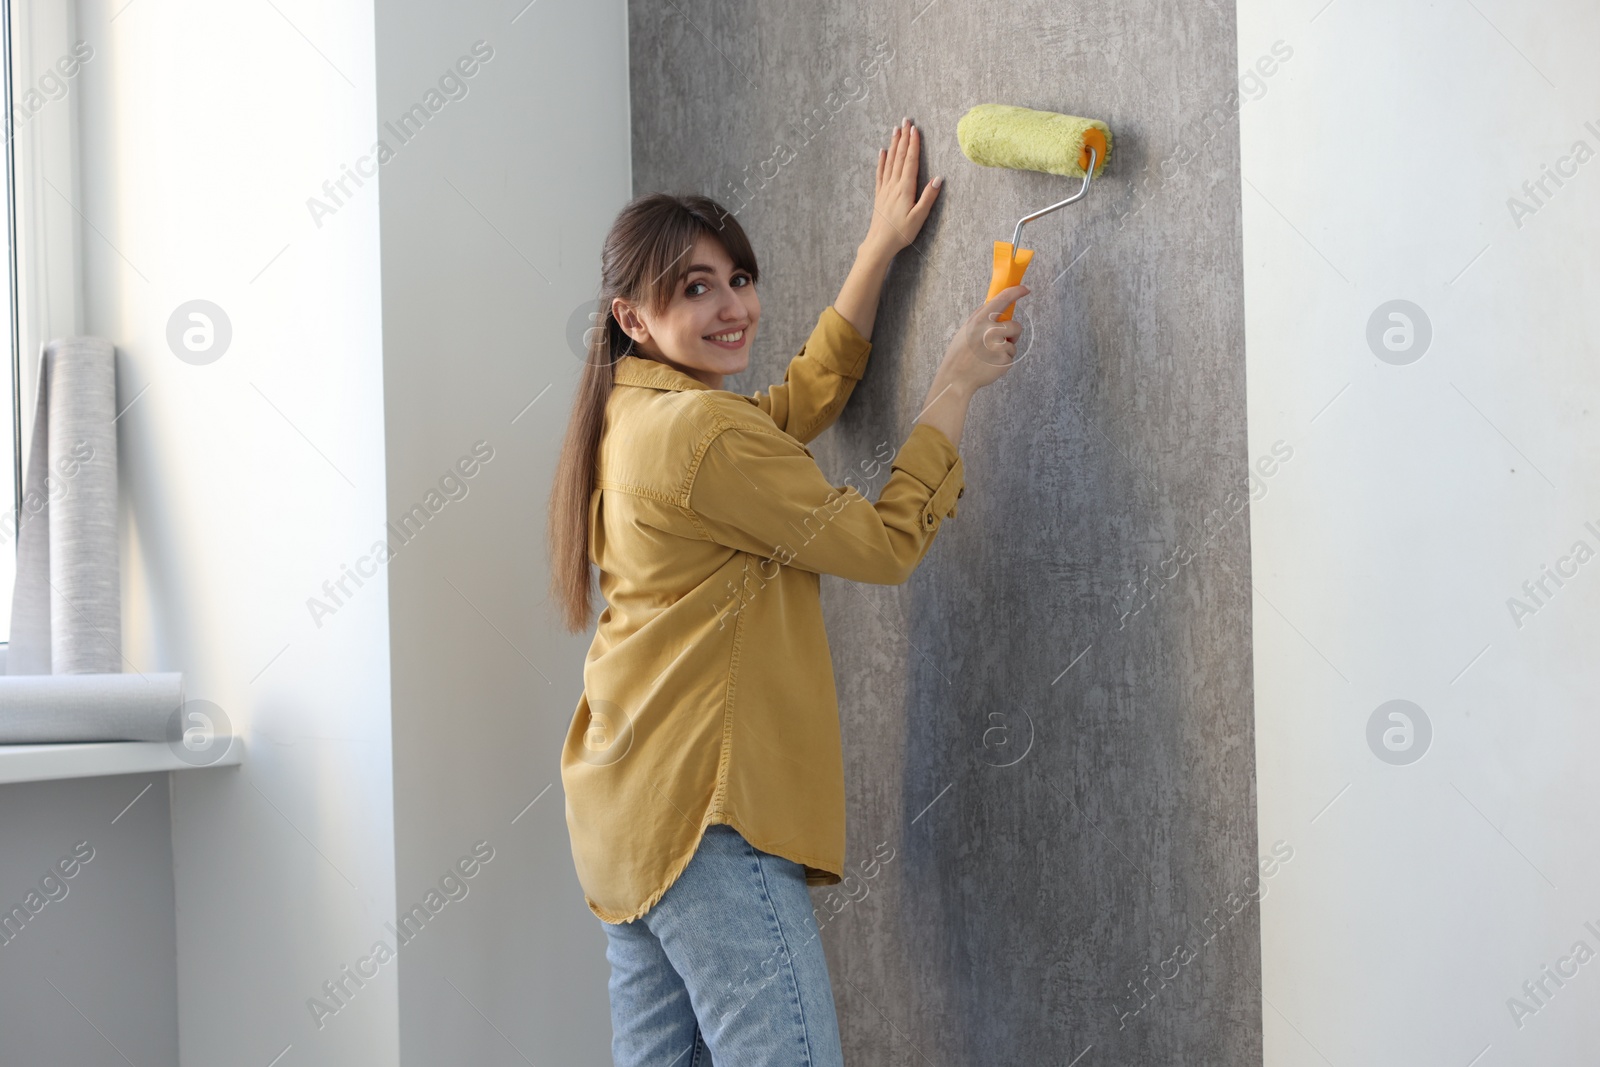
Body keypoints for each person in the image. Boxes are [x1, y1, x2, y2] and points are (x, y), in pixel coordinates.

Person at [547, 117, 1029, 1066]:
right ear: (631, 317)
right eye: (696, 287)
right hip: (705, 817)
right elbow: (885, 544)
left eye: (739, 277)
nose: (732, 305)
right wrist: (953, 385)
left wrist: (879, 247)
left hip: (627, 815)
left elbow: (795, 405)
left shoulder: (636, 413)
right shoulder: (698, 437)